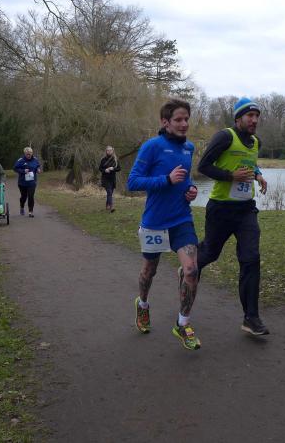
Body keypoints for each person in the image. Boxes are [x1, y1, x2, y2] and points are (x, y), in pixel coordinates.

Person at [127, 99, 201, 350]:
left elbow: (187, 179)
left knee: (191, 270)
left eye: (186, 119)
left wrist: (191, 190)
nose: (184, 124)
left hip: (181, 219)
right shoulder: (152, 146)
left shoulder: (189, 148)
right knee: (150, 270)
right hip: (155, 222)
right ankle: (143, 304)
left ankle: (182, 323)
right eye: (178, 120)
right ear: (165, 122)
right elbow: (133, 182)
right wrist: (166, 180)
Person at [196, 97, 270, 336]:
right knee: (210, 253)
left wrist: (258, 175)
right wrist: (230, 176)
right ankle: (190, 267)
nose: (254, 120)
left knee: (251, 258)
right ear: (238, 118)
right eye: (250, 116)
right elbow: (203, 166)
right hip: (221, 208)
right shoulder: (225, 137)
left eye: (257, 116)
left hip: (246, 210)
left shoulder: (256, 142)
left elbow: (249, 164)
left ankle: (251, 318)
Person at [13, 147, 42, 217]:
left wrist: (38, 170)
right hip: (22, 183)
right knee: (24, 197)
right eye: (27, 154)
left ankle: (30, 211)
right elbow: (15, 168)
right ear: (25, 154)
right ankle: (22, 206)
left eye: (30, 154)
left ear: (32, 153)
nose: (29, 155)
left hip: (32, 182)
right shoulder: (21, 160)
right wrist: (23, 171)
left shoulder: (35, 159)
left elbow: (38, 166)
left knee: (31, 196)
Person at [99, 146, 121, 212]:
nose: (109, 151)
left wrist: (113, 168)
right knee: (109, 192)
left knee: (110, 193)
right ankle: (111, 207)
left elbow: (119, 168)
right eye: (108, 150)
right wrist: (105, 170)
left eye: (110, 150)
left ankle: (107, 205)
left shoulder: (115, 159)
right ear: (106, 151)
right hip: (105, 178)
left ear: (112, 151)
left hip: (112, 179)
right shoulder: (103, 159)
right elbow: (100, 168)